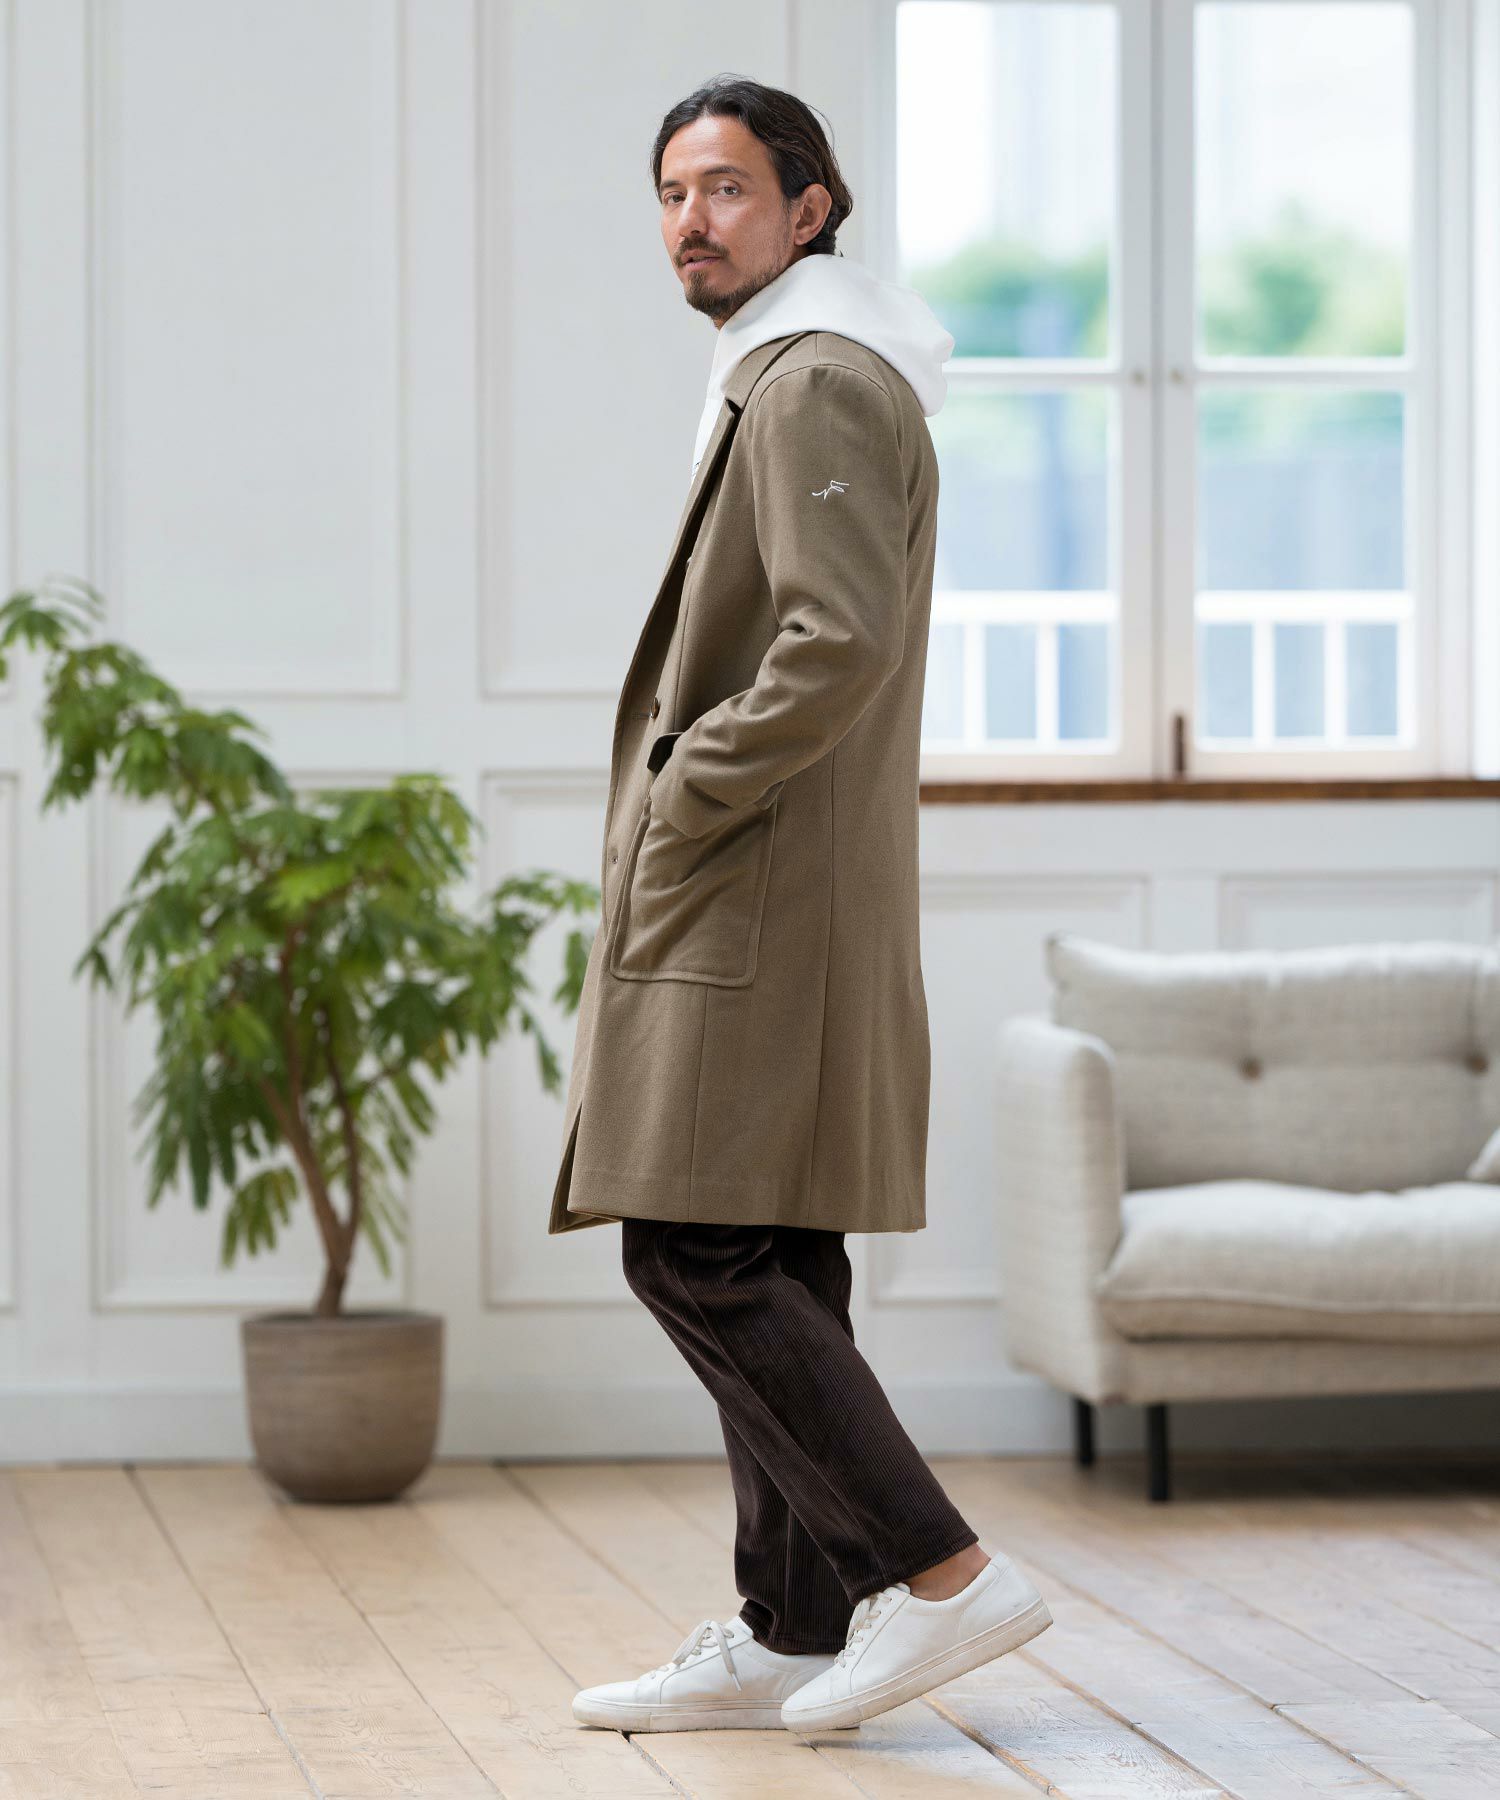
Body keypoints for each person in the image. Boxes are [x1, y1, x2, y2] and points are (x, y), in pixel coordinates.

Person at [562, 75, 1052, 1734]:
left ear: (810, 207)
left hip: (755, 885)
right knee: (769, 1241)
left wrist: (683, 786)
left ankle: (941, 1573)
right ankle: (791, 1625)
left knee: (691, 1245)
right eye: (670, 194)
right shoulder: (789, 370)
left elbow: (833, 642)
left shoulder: (819, 380)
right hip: (768, 881)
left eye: (724, 189)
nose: (690, 221)